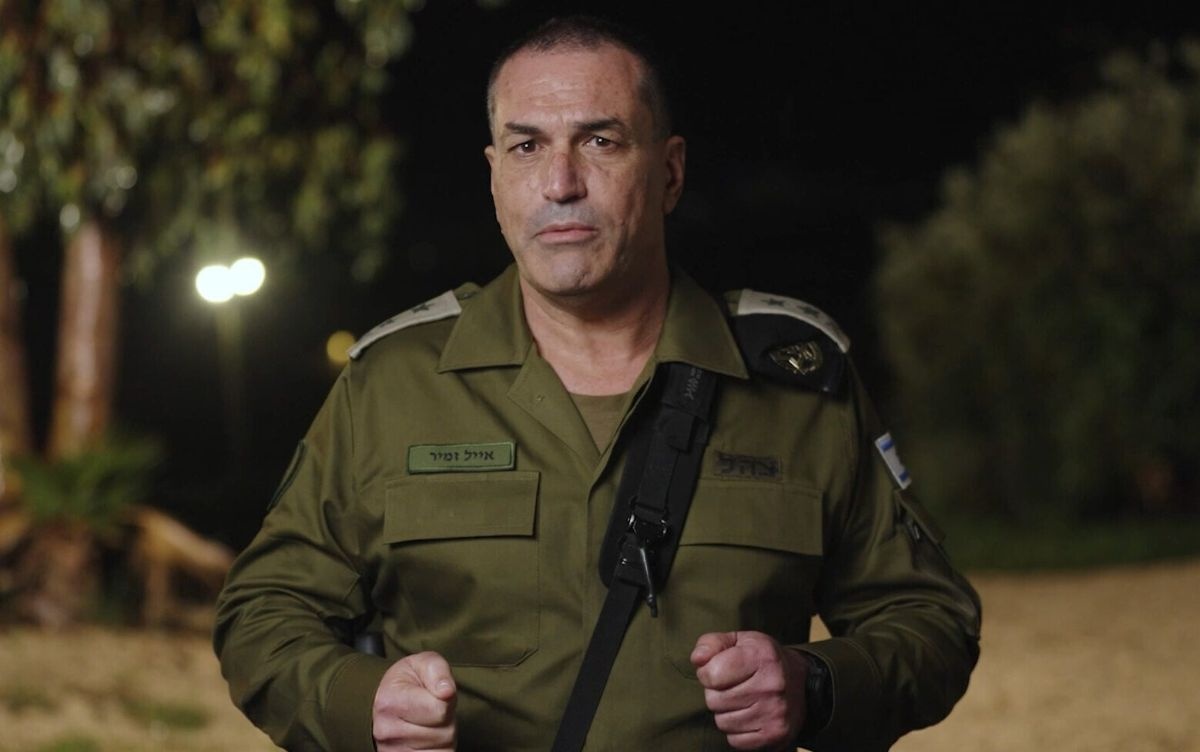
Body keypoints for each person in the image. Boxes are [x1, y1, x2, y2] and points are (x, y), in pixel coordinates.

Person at [214, 15, 981, 752]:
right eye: (527, 146)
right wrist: (363, 705)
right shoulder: (393, 384)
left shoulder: (795, 387)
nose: (560, 182)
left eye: (600, 141)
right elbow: (263, 611)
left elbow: (929, 618)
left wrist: (815, 685)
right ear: (494, 177)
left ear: (670, 172)